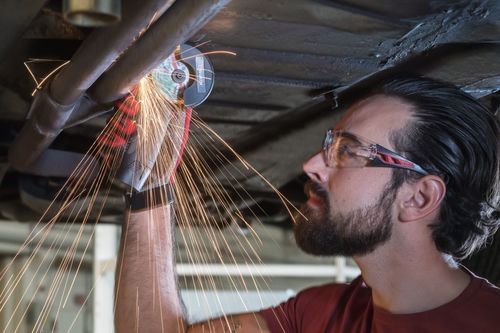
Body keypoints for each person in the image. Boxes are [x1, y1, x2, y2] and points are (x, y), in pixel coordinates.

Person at [114, 75, 500, 332]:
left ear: (420, 197)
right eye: (329, 145)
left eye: (348, 152)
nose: (311, 165)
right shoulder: (325, 315)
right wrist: (153, 183)